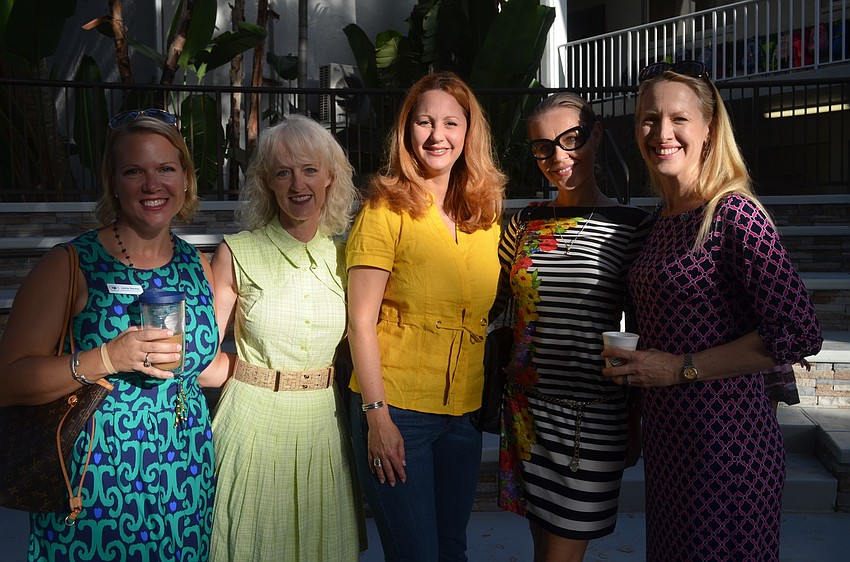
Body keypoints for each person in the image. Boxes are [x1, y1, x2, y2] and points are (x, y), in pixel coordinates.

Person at [602, 60, 823, 561]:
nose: (662, 133)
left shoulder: (734, 214)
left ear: (708, 129)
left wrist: (679, 368)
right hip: (669, 444)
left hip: (728, 450)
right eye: (649, 118)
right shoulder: (658, 222)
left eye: (679, 119)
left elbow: (798, 330)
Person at [0, 108, 219, 561]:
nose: (152, 184)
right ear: (113, 182)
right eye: (134, 171)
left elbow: (200, 365)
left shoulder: (197, 266)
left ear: (185, 178)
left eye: (165, 169)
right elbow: (10, 379)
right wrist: (109, 357)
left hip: (185, 474)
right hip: (97, 486)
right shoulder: (68, 265)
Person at [345, 71, 506, 562]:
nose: (438, 136)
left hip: (463, 412)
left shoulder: (485, 213)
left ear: (468, 132)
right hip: (399, 412)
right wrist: (378, 418)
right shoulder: (384, 209)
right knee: (415, 552)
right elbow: (359, 323)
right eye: (425, 122)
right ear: (406, 131)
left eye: (451, 123)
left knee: (451, 548)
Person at [496, 92, 652, 562]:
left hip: (592, 419)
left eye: (572, 139)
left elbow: (646, 329)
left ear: (597, 135)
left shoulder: (633, 226)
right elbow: (496, 301)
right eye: (544, 147)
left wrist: (635, 420)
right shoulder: (523, 223)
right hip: (526, 414)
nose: (559, 157)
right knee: (544, 544)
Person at [202, 114, 364, 561]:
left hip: (323, 426)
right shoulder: (237, 252)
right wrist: (244, 373)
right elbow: (202, 355)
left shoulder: (349, 255)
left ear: (331, 176)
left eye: (310, 169)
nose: (298, 184)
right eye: (283, 172)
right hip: (252, 424)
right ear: (266, 183)